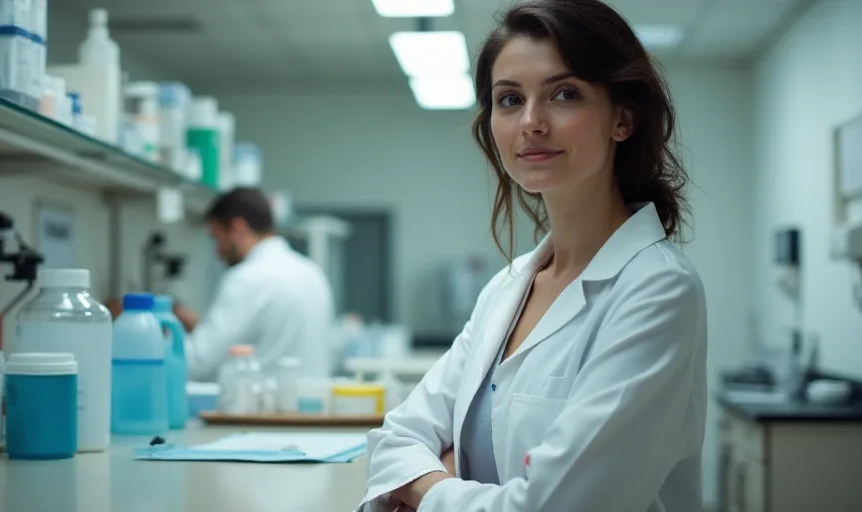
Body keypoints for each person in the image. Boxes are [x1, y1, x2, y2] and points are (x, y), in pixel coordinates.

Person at [356, 1, 707, 511]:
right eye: (510, 99)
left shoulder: (658, 289)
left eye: (565, 94)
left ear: (623, 119)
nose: (531, 122)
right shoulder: (508, 287)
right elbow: (393, 440)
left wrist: (428, 485)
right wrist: (438, 477)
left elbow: (551, 506)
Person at [173, 187, 335, 382]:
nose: (217, 252)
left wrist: (157, 335)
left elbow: (197, 362)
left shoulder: (246, 278)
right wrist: (200, 326)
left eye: (217, 238)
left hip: (262, 401)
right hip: (310, 400)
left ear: (237, 228)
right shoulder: (311, 272)